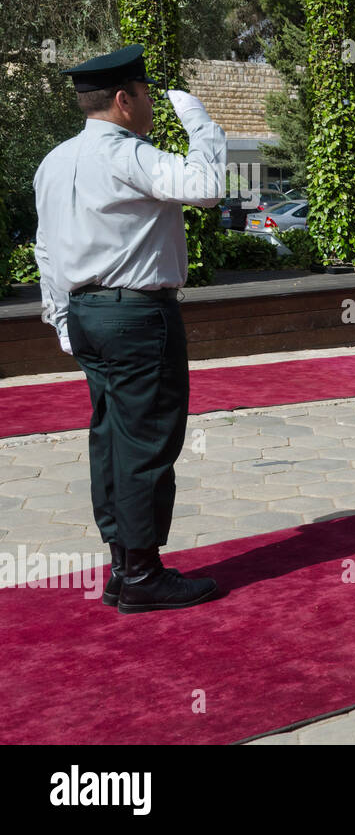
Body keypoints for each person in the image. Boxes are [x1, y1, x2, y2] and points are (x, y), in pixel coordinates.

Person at [33, 43, 226, 613]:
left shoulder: (54, 160)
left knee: (110, 437)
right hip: (138, 315)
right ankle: (143, 575)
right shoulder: (127, 155)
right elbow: (208, 186)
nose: (148, 107)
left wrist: (62, 318)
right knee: (146, 439)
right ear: (123, 99)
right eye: (143, 96)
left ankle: (122, 565)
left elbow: (46, 250)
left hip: (88, 314)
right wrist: (199, 120)